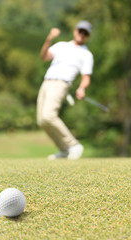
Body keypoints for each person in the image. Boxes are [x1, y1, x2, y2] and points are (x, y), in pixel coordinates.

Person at [37, 20, 94, 160]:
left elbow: (86, 77)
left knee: (48, 115)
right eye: (80, 31)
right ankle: (64, 150)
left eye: (85, 33)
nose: (82, 34)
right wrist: (49, 39)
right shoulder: (61, 45)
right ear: (75, 31)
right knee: (41, 121)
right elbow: (44, 57)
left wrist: (82, 88)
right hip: (46, 83)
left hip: (61, 85)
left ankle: (73, 144)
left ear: (88, 36)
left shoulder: (87, 55)